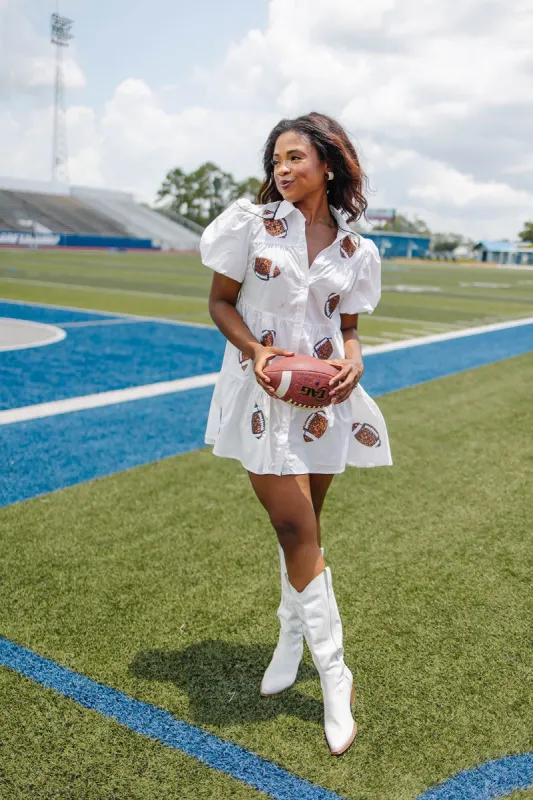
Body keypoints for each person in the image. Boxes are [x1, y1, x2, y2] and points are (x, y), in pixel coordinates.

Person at [200, 112, 392, 756]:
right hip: (262, 393)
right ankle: (337, 677)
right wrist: (255, 351)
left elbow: (350, 324)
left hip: (322, 399)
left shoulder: (356, 248)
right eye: (276, 160)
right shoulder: (250, 227)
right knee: (293, 527)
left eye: (294, 159)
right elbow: (219, 301)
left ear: (328, 165)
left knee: (307, 528)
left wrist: (354, 355)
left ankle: (289, 637)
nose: (281, 170)